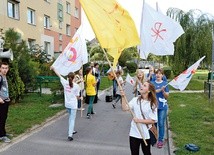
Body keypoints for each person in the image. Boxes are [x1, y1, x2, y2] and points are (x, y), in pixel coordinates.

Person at [50, 66, 81, 141]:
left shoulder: (65, 83)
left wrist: (54, 69)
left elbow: (59, 75)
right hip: (73, 105)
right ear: (73, 78)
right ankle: (70, 135)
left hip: (67, 104)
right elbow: (77, 97)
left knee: (70, 117)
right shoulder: (77, 86)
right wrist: (81, 98)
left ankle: (72, 130)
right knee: (72, 119)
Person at [127, 81, 157, 155]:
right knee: (134, 153)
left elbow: (153, 120)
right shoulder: (135, 100)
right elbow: (125, 108)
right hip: (134, 132)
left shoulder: (152, 103)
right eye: (142, 85)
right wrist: (122, 95)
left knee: (146, 152)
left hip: (145, 133)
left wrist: (139, 120)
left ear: (149, 90)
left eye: (144, 85)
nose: (141, 86)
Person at [152, 68, 169, 148]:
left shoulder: (165, 84)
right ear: (155, 75)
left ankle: (160, 140)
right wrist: (158, 90)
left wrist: (163, 92)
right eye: (157, 73)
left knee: (161, 123)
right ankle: (154, 138)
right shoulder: (152, 83)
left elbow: (166, 97)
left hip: (162, 107)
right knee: (153, 124)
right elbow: (150, 93)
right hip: (153, 107)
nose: (158, 75)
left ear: (162, 75)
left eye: (160, 73)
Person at [0, 62, 11, 143]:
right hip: (1, 102)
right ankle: (2, 136)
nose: (5, 70)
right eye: (3, 68)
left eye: (6, 68)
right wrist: (0, 99)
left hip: (5, 100)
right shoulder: (0, 77)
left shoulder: (4, 76)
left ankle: (3, 133)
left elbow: (5, 88)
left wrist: (7, 97)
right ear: (0, 68)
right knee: (1, 118)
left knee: (4, 118)